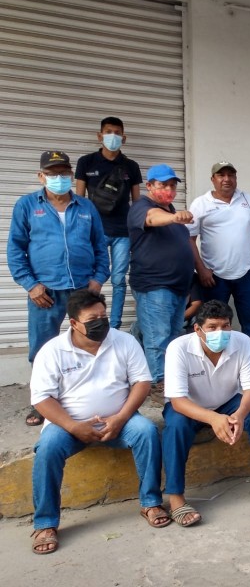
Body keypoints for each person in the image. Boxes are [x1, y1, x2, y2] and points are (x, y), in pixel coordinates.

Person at [29, 290, 166, 554]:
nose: (101, 322)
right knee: (47, 449)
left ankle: (151, 502)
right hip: (68, 425)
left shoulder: (124, 341)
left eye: (103, 315)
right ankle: (45, 523)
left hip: (119, 420)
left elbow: (142, 382)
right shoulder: (52, 350)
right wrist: (72, 426)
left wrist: (121, 417)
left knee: (146, 431)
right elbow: (41, 399)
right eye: (93, 318)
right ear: (74, 323)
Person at [162, 300, 250, 525]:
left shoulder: (243, 342)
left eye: (225, 326)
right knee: (175, 427)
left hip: (227, 402)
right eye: (212, 327)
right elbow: (178, 401)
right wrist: (213, 418)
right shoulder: (178, 348)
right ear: (197, 329)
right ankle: (176, 498)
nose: (220, 332)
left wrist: (238, 415)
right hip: (190, 406)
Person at [8, 150, 110, 427]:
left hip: (81, 289)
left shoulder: (86, 207)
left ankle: (90, 396)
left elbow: (100, 247)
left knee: (89, 342)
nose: (59, 178)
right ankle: (43, 403)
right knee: (42, 348)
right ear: (41, 176)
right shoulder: (27, 205)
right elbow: (15, 250)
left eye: (64, 173)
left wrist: (98, 279)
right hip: (45, 291)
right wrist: (31, 286)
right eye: (52, 173)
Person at [128, 164, 195, 403]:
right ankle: (158, 383)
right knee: (158, 338)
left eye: (172, 185)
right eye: (162, 184)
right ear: (149, 186)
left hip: (176, 288)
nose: (168, 189)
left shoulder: (170, 210)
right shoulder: (143, 207)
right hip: (155, 286)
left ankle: (172, 380)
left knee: (174, 337)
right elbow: (152, 219)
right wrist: (174, 217)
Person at [188, 161, 250, 337]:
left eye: (231, 175)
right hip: (214, 276)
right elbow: (189, 239)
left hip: (247, 274)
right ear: (213, 179)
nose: (227, 179)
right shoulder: (201, 203)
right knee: (214, 324)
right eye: (221, 175)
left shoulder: (247, 199)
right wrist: (201, 269)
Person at [75, 117, 142, 330]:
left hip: (123, 232)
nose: (112, 136)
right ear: (99, 135)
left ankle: (114, 326)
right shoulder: (86, 162)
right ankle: (90, 322)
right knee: (93, 278)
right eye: (108, 131)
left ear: (124, 138)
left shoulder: (131, 166)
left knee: (119, 280)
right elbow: (79, 199)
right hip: (95, 232)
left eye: (116, 132)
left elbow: (137, 202)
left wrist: (139, 230)